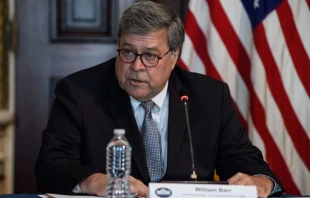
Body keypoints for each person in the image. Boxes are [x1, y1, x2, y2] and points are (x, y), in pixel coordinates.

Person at [35, 1, 283, 197]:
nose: (137, 66)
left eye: (150, 56)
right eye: (128, 52)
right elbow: (51, 167)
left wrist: (261, 182)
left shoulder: (209, 96)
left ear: (174, 57)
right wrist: (95, 180)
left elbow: (246, 162)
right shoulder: (79, 92)